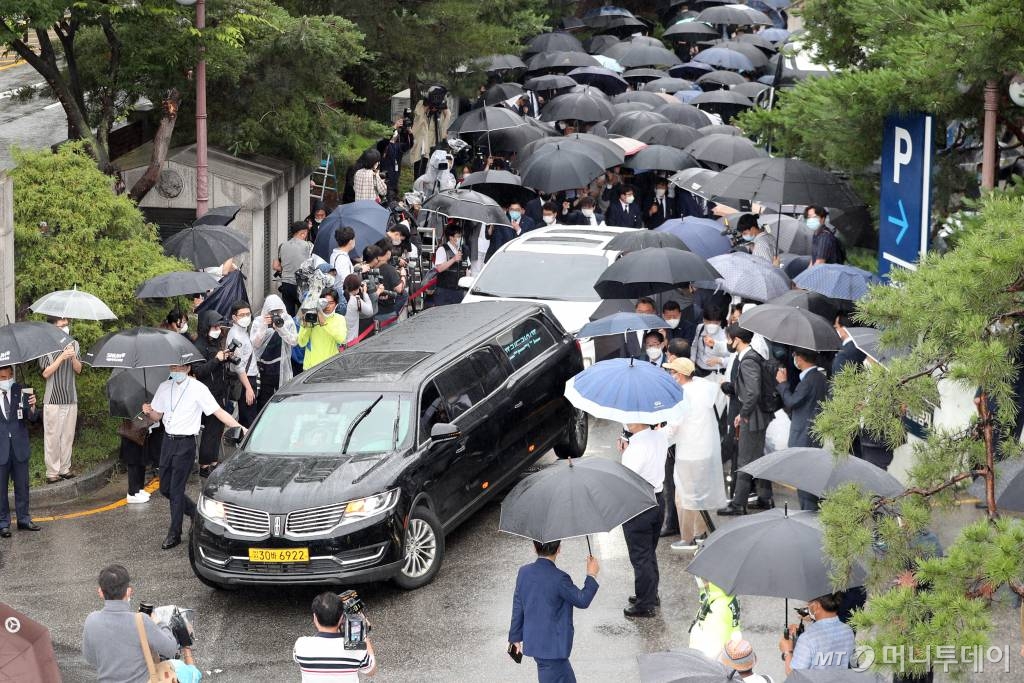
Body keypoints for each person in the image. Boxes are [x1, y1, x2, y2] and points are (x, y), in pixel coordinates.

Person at [142, 364, 246, 549]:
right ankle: (195, 513)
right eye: (173, 367)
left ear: (188, 367)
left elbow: (218, 411)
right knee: (165, 488)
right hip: (168, 441)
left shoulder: (198, 388)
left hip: (186, 443)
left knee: (176, 490)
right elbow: (157, 416)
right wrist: (148, 410)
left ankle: (175, 533)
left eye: (180, 367)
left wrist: (241, 428)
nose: (176, 371)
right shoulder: (164, 387)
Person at [508, 540, 600, 682]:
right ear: (558, 549)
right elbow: (582, 600)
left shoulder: (524, 572)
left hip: (537, 644)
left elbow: (518, 604)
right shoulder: (560, 578)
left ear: (534, 548)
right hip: (553, 650)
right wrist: (591, 574)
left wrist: (515, 637)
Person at [664, 358, 728, 549]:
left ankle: (687, 537)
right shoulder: (703, 387)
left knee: (683, 496)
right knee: (699, 493)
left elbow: (674, 426)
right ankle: (700, 532)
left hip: (689, 452)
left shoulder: (682, 395)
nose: (671, 376)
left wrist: (658, 438)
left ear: (680, 375)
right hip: (705, 450)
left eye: (672, 372)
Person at [82, 564, 184, 683]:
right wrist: (159, 623)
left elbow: (90, 658)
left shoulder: (91, 620)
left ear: (100, 592)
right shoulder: (141, 621)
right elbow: (170, 649)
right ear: (129, 591)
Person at [718, 325, 773, 516]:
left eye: (728, 339)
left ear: (737, 340)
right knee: (757, 457)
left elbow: (752, 392)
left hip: (753, 417)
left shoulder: (748, 360)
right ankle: (764, 497)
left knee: (745, 460)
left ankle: (738, 503)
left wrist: (743, 414)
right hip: (756, 414)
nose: (727, 343)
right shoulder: (751, 356)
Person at [618, 423, 667, 618]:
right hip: (658, 499)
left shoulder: (636, 448)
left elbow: (625, 479)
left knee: (640, 556)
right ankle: (650, 594)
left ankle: (645, 604)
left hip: (638, 505)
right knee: (648, 551)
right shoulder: (659, 436)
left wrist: (625, 452)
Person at [776, 349, 829, 510]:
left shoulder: (808, 380)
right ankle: (812, 510)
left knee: (803, 477)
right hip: (814, 435)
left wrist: (783, 384)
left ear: (800, 359)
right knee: (811, 476)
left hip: (803, 436)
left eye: (795, 356)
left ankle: (808, 512)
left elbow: (792, 401)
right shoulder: (820, 377)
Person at [293, 592, 377, 682]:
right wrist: (362, 634)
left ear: (315, 617)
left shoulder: (301, 645)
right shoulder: (355, 647)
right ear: (341, 618)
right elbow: (371, 671)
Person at [38, 316, 81, 483]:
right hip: (53, 399)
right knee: (52, 437)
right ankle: (52, 473)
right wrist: (62, 357)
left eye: (66, 324)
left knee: (68, 436)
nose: (65, 328)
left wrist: (73, 357)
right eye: (62, 325)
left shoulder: (74, 344)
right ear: (53, 327)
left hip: (70, 397)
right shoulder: (44, 346)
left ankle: (65, 469)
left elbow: (78, 370)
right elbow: (46, 373)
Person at [0, 365, 40, 536]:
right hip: (1, 447)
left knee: (22, 486)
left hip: (19, 446)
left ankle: (23, 519)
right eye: (3, 378)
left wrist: (32, 406)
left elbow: (32, 418)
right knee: (1, 489)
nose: (7, 380)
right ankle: (3, 523)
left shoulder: (22, 391)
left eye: (9, 376)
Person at [191, 311, 232, 476]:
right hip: (207, 393)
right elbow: (198, 371)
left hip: (220, 391)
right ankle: (204, 465)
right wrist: (217, 360)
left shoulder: (215, 341)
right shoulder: (199, 346)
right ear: (206, 326)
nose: (217, 330)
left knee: (218, 428)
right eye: (214, 327)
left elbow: (217, 363)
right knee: (210, 430)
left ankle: (214, 461)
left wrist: (226, 357)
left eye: (219, 327)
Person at [779, 592, 856, 672]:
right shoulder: (848, 631)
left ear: (816, 605)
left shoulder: (807, 638)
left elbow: (794, 675)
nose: (807, 606)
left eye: (809, 603)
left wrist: (787, 651)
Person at [251, 294, 299, 413]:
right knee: (264, 399)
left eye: (278, 311)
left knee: (283, 397)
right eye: (272, 312)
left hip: (281, 365)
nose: (275, 315)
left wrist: (281, 328)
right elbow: (255, 344)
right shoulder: (258, 321)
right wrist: (263, 326)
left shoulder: (287, 320)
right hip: (264, 367)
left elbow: (294, 341)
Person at [688, 575, 742, 658]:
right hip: (727, 646)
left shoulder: (718, 606)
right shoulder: (723, 594)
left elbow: (713, 646)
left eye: (700, 577)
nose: (698, 579)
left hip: (712, 655)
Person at [226, 301, 259, 428]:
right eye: (242, 315)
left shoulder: (243, 331)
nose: (246, 317)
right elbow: (238, 365)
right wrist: (249, 388)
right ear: (234, 317)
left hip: (249, 377)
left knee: (247, 417)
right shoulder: (235, 335)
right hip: (245, 380)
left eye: (248, 314)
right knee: (249, 418)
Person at [297, 288, 347, 370]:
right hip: (310, 368)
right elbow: (302, 342)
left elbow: (341, 339)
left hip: (330, 367)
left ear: (336, 304)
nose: (327, 306)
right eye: (325, 303)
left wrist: (324, 323)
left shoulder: (340, 318)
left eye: (331, 303)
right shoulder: (312, 316)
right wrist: (305, 324)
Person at [274, 221, 314, 315]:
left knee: (288, 315)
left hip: (286, 284)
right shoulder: (308, 246)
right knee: (303, 315)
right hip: (302, 284)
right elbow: (312, 265)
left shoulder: (282, 245)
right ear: (303, 233)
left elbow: (275, 266)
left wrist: (288, 269)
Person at [691, 303, 730, 377]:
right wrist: (692, 360)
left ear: (720, 322)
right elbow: (694, 346)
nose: (712, 325)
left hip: (716, 372)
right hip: (699, 369)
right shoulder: (700, 328)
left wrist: (719, 360)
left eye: (716, 323)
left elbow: (732, 356)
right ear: (704, 320)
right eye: (709, 322)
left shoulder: (726, 333)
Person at [432, 224, 467, 306]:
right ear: (451, 237)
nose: (460, 238)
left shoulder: (463, 250)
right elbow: (439, 268)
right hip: (444, 290)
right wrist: (453, 259)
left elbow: (467, 269)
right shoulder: (442, 249)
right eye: (458, 236)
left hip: (459, 291)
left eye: (461, 236)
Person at [341, 274, 378, 345]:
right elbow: (370, 311)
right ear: (357, 288)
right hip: (351, 342)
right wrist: (365, 293)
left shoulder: (340, 297)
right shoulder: (356, 300)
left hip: (340, 341)